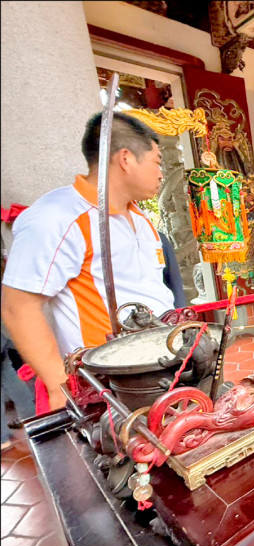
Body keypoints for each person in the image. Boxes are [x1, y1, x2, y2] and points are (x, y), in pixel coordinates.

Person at [1, 112, 175, 408]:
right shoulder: (56, 217)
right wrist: (59, 387)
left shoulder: (141, 219)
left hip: (162, 364)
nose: (161, 173)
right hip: (111, 381)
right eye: (157, 162)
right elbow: (19, 307)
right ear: (126, 159)